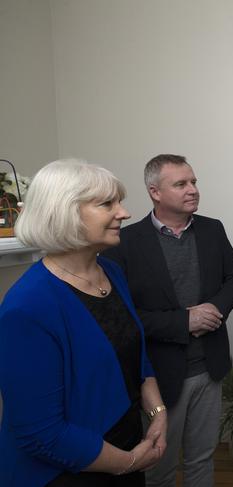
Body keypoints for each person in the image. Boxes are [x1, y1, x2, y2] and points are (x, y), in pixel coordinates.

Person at [0, 159, 167, 487]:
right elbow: (42, 435)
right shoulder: (27, 307)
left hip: (126, 447)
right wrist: (129, 462)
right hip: (66, 471)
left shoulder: (111, 273)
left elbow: (135, 352)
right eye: (108, 203)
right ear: (64, 212)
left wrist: (158, 412)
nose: (124, 213)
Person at [104, 154, 233, 487]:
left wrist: (214, 308)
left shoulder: (212, 229)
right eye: (181, 184)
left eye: (194, 182)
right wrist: (183, 322)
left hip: (209, 369)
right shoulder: (124, 243)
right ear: (155, 192)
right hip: (159, 376)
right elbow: (121, 316)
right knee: (159, 467)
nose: (192, 190)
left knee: (202, 459)